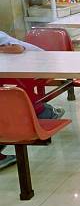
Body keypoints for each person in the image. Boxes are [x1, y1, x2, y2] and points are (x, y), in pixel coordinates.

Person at [0, 31, 65, 169]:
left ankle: (45, 111)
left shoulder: (11, 52)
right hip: (20, 114)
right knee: (30, 104)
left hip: (39, 61)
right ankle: (46, 112)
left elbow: (18, 48)